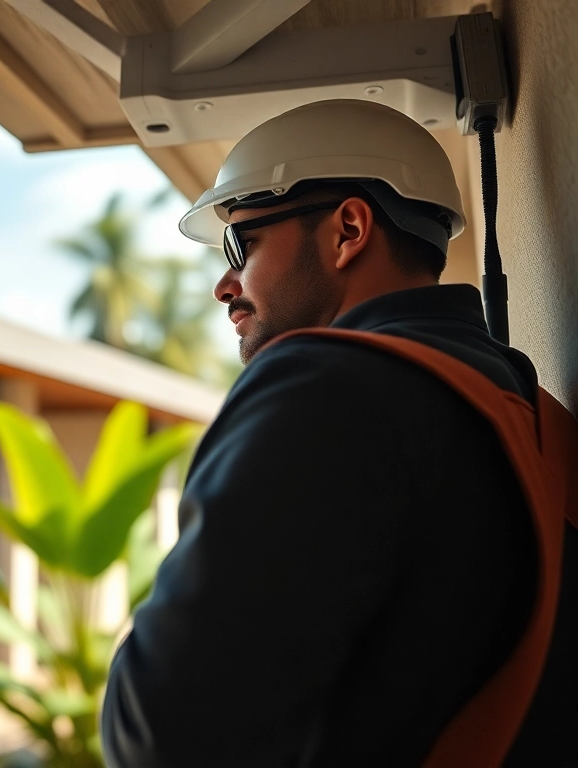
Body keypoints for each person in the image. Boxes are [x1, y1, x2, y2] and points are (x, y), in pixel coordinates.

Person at [101, 100, 576, 767]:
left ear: (348, 229)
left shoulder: (323, 387)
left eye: (243, 243)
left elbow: (162, 734)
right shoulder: (532, 410)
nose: (224, 285)